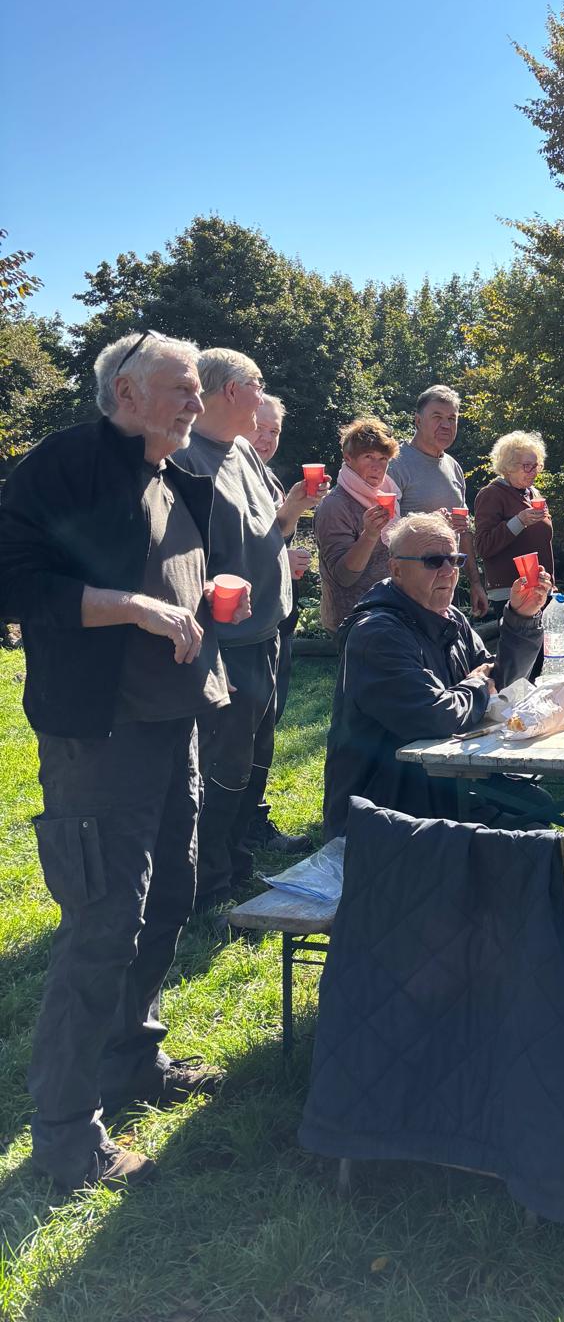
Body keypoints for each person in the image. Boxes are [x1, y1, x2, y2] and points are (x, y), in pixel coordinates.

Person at [0, 330, 229, 1190]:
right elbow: (12, 582)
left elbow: (175, 581)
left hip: (174, 723)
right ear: (127, 391)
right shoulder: (66, 465)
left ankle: (133, 1060)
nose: (197, 401)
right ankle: (65, 1139)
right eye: (182, 387)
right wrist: (132, 606)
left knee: (168, 898)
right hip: (98, 734)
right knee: (102, 925)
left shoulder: (177, 476)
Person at [322, 512, 552, 839]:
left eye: (455, 560)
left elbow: (502, 687)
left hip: (446, 781)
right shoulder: (377, 634)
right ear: (396, 570)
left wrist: (521, 618)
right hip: (386, 810)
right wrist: (477, 685)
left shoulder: (450, 618)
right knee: (532, 832)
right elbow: (433, 716)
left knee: (538, 806)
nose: (448, 571)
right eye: (433, 561)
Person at [173, 347, 298, 911]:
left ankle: (238, 858)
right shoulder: (183, 458)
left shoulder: (244, 450)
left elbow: (269, 528)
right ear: (230, 390)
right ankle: (209, 887)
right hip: (225, 645)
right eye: (257, 384)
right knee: (222, 766)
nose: (263, 395)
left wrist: (292, 510)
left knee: (254, 758)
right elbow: (173, 558)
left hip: (269, 633)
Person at [243, 391, 311, 856]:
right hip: (239, 629)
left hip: (276, 622)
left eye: (274, 431)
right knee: (240, 732)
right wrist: (279, 560)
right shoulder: (217, 472)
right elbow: (229, 555)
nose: (266, 439)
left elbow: (272, 538)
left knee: (266, 725)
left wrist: (294, 512)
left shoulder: (265, 477)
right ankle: (230, 832)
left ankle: (252, 820)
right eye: (258, 427)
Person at [386, 384, 489, 619]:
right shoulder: (395, 464)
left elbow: (464, 531)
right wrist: (433, 522)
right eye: (437, 417)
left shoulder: (454, 467)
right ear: (418, 420)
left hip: (448, 583)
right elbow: (385, 530)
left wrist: (475, 583)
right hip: (410, 593)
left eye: (452, 418)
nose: (446, 425)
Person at [314, 416, 400, 633]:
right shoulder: (334, 505)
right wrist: (369, 535)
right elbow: (343, 576)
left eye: (383, 458)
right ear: (348, 458)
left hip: (390, 613)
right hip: (354, 622)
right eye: (368, 457)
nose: (377, 466)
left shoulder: (387, 494)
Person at [473, 430, 555, 609]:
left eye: (536, 465)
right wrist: (519, 521)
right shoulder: (491, 494)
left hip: (541, 588)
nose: (534, 472)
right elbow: (483, 546)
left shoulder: (534, 494)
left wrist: (551, 585)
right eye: (527, 466)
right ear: (508, 466)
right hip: (510, 592)